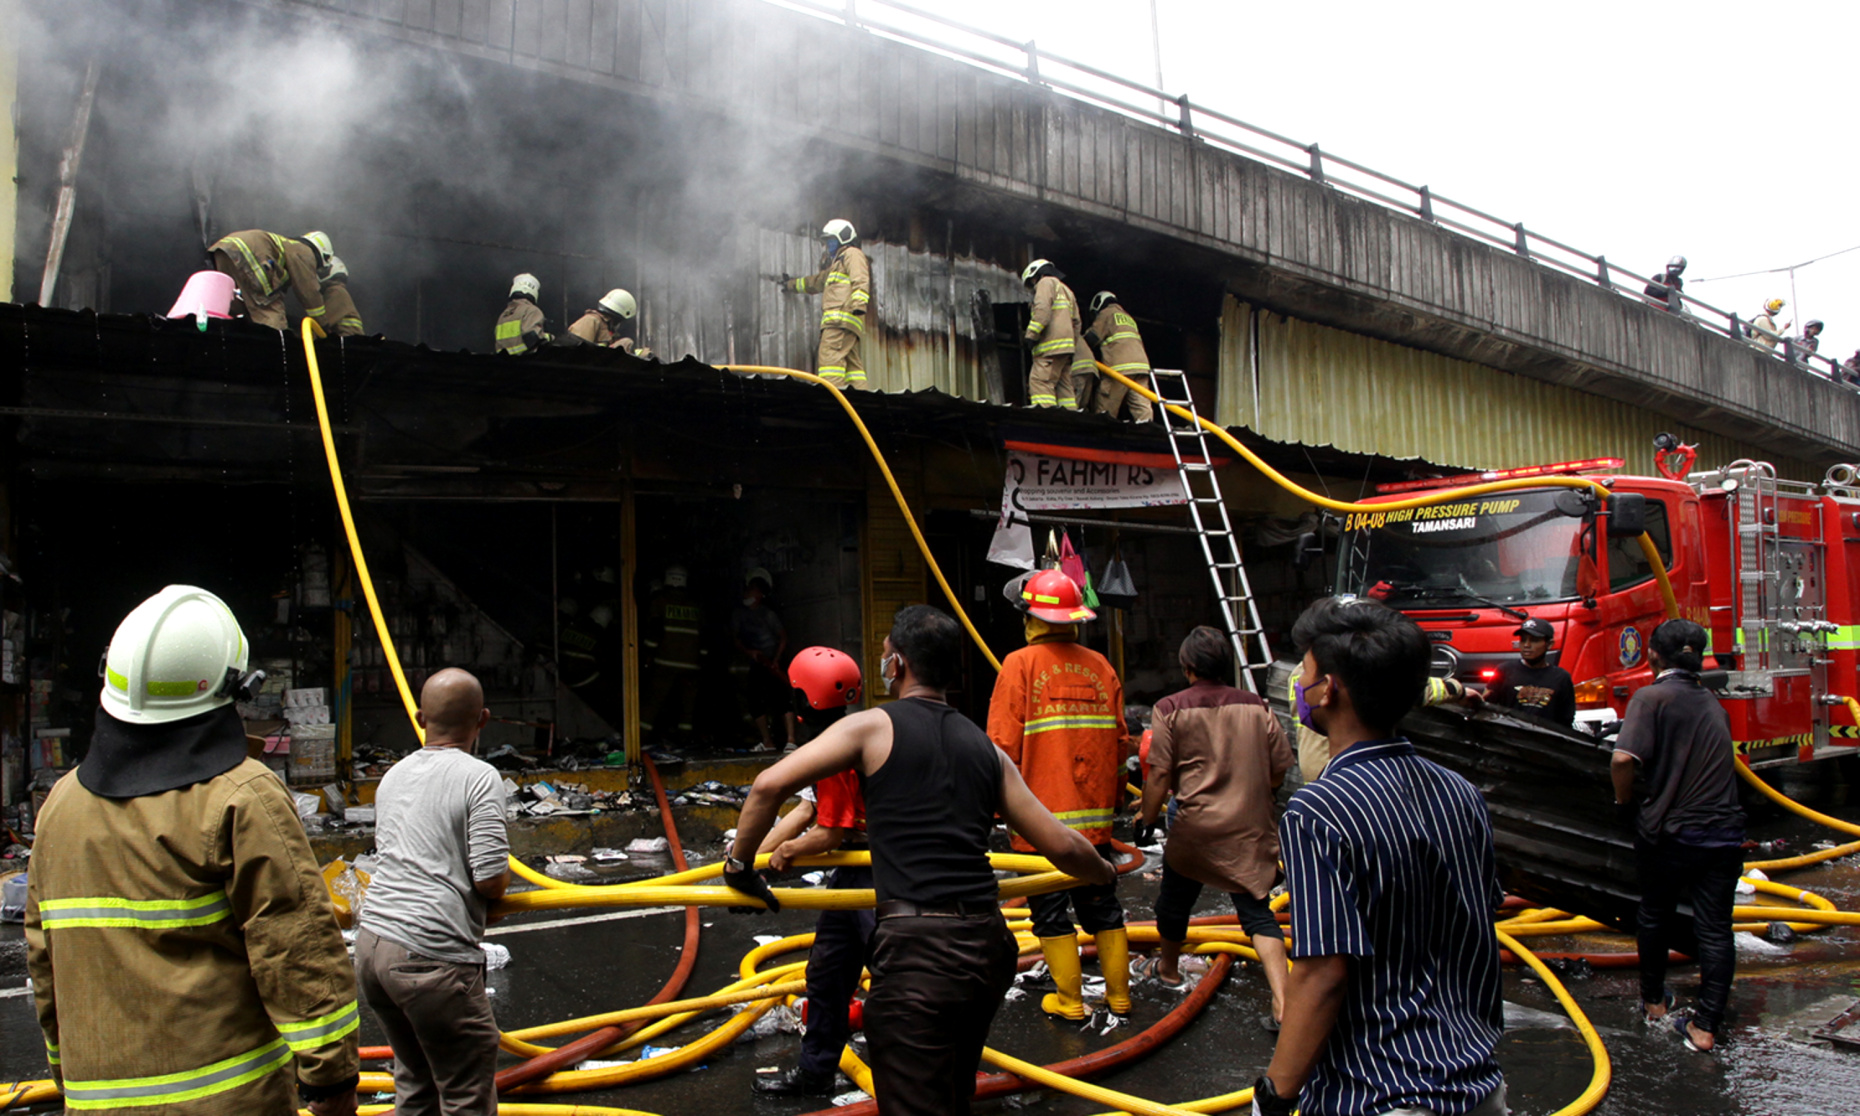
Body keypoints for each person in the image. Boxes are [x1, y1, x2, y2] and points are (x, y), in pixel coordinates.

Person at [725, 605, 1116, 1116]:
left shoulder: (870, 728)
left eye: (887, 655)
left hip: (919, 955)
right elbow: (1063, 847)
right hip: (986, 946)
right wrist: (1106, 874)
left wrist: (739, 866)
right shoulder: (985, 748)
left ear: (899, 664)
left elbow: (767, 785)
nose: (885, 664)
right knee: (952, 1092)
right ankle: (817, 1066)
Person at [25, 585, 360, 1115]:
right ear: (236, 687)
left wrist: (68, 1074)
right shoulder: (241, 797)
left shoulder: (59, 808)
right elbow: (296, 948)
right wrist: (331, 1078)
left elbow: (45, 962)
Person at [1251, 597, 1506, 1116]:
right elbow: (1478, 920)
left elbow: (1323, 973)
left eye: (1308, 674)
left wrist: (1275, 1095)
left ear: (1331, 690)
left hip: (1379, 1091)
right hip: (1478, 1086)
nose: (1301, 686)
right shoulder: (1461, 793)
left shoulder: (1318, 810)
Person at [355, 668, 511, 1114]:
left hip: (373, 951)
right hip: (430, 958)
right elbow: (490, 878)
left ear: (421, 718)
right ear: (482, 719)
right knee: (465, 1096)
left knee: (416, 1085)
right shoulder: (479, 777)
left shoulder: (393, 777)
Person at [986, 568, 1131, 1019]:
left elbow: (1000, 746)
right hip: (1094, 823)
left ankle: (1070, 1002)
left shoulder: (1019, 665)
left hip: (1040, 825)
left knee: (1050, 913)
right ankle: (1120, 998)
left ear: (1031, 618)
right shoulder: (1100, 666)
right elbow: (1121, 740)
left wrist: (991, 804)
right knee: (1103, 905)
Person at [1134, 627, 1292, 1028]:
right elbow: (1279, 769)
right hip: (1249, 828)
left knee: (1174, 902)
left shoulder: (1169, 708)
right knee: (1257, 912)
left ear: (1187, 667)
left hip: (1195, 828)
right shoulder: (1257, 706)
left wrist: (1147, 818)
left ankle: (1167, 970)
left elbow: (1159, 775)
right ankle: (1284, 1002)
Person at [1610, 618, 1744, 1054]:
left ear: (1652, 655)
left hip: (1670, 834)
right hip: (1723, 835)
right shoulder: (1713, 703)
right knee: (1716, 931)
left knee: (1654, 915)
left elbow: (1623, 759)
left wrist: (1623, 803)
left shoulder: (1650, 698)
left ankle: (1653, 1004)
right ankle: (1705, 1028)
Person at [752, 647, 873, 1097]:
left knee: (894, 975)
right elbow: (806, 810)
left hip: (875, 873)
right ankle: (817, 1071)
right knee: (829, 972)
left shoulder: (837, 744)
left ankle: (910, 1071)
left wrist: (787, 853)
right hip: (852, 874)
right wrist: (749, 858)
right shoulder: (832, 736)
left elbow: (829, 835)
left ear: (805, 702)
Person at [775, 219, 872, 388]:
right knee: (852, 366)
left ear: (843, 238)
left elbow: (861, 279)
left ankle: (832, 398)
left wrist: (859, 305)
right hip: (846, 322)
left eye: (831, 240)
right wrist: (791, 284)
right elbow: (816, 282)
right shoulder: (837, 264)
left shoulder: (852, 254)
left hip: (840, 320)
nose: (829, 245)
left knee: (829, 359)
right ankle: (860, 400)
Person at [209, 228, 333, 332]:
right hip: (249, 252)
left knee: (230, 304)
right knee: (269, 309)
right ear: (322, 253)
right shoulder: (304, 251)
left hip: (224, 249)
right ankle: (275, 351)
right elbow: (308, 290)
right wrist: (322, 325)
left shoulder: (286, 247)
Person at [732, 567, 795, 751]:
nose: (747, 592)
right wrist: (749, 652)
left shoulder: (768, 614)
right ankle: (767, 741)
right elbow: (735, 639)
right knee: (755, 700)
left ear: (760, 593)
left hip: (773, 662)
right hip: (757, 662)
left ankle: (791, 740)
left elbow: (783, 637)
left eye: (752, 588)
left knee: (783, 698)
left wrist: (776, 660)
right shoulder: (740, 615)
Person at [641, 564, 704, 743]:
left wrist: (648, 655)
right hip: (692, 665)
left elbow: (654, 631)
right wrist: (701, 660)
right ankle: (685, 740)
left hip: (665, 662)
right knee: (687, 708)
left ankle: (640, 739)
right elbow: (704, 635)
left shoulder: (660, 601)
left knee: (652, 704)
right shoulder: (695, 604)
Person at [1484, 617, 1576, 726]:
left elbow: (1566, 720)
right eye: (1523, 640)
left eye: (1534, 640)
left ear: (1549, 644)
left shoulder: (1561, 678)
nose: (1527, 645)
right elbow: (1486, 707)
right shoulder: (1504, 671)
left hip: (1544, 741)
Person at [1081, 291, 1155, 422]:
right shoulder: (1128, 317)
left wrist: (1077, 342)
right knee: (1142, 408)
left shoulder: (1106, 314)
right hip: (1141, 367)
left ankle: (1102, 436)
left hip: (1119, 369)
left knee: (1106, 410)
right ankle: (1149, 435)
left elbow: (1092, 338)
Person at [1021, 259, 1080, 408]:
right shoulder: (1067, 291)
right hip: (1065, 351)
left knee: (1040, 382)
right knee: (1065, 388)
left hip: (1049, 349)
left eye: (1032, 281)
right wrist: (1071, 344)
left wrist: (1031, 335)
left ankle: (1046, 420)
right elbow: (1077, 322)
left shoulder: (1045, 283)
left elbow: (1042, 311)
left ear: (1036, 275)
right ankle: (1070, 420)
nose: (1033, 284)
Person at [563, 288, 650, 356]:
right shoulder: (591, 321)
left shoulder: (606, 327)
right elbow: (575, 350)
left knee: (627, 342)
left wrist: (642, 354)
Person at [495, 273, 552, 354]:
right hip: (526, 362)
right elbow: (531, 337)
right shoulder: (531, 310)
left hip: (504, 364)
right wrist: (549, 338)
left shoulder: (503, 315)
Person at [319, 256, 365, 337]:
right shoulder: (337, 291)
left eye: (321, 270)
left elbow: (321, 323)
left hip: (347, 343)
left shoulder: (336, 291)